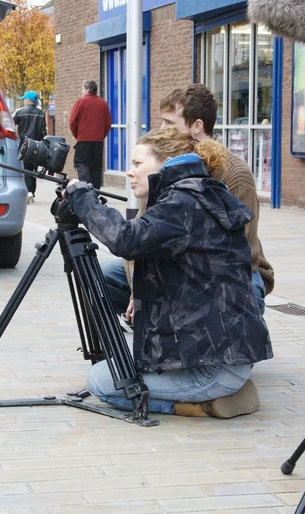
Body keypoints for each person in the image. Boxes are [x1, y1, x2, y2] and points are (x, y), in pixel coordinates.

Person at [63, 127, 273, 418]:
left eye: (137, 164)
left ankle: (201, 406)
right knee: (122, 353)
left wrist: (82, 198)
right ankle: (222, 390)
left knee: (100, 381)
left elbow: (125, 239)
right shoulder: (200, 192)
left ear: (164, 163)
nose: (129, 173)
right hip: (229, 356)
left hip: (212, 368)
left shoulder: (180, 204)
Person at [101, 84, 274, 316]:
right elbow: (141, 236)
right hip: (166, 262)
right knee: (103, 275)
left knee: (244, 298)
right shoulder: (162, 166)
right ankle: (122, 347)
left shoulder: (234, 174)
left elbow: (237, 249)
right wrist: (138, 288)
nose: (162, 128)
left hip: (229, 270)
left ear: (197, 126)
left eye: (170, 123)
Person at [69, 80, 112, 189]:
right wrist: (101, 136)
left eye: (82, 88)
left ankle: (85, 188)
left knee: (82, 164)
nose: (81, 91)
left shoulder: (81, 102)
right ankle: (96, 191)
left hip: (83, 140)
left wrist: (78, 135)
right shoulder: (103, 103)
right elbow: (108, 123)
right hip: (98, 141)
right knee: (96, 167)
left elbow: (73, 121)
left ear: (87, 89)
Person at [13, 90, 47, 203]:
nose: (24, 101)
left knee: (26, 169)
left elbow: (11, 125)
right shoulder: (41, 113)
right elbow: (43, 132)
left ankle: (29, 192)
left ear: (28, 100)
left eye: (24, 99)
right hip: (37, 145)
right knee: (33, 169)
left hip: (24, 144)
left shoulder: (20, 112)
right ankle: (32, 192)